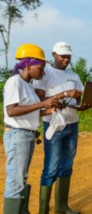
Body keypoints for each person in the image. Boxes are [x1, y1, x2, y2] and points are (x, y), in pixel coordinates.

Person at [33, 41, 91, 214]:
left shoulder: (74, 75)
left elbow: (78, 100)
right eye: (63, 56)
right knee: (51, 167)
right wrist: (66, 94)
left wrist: (83, 105)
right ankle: (43, 210)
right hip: (53, 124)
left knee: (67, 166)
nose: (66, 59)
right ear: (54, 55)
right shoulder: (45, 73)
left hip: (72, 124)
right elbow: (40, 101)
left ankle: (61, 206)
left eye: (69, 56)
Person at [3, 44, 59, 214]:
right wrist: (42, 103)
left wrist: (49, 110)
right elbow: (11, 111)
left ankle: (22, 211)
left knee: (22, 178)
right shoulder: (15, 82)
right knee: (15, 181)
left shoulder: (28, 86)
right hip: (17, 135)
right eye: (41, 69)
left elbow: (30, 111)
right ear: (28, 66)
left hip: (26, 135)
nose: (42, 73)